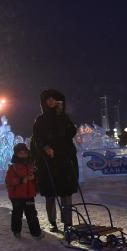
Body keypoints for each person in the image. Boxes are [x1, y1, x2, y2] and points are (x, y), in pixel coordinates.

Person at [31, 89, 78, 233]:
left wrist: (62, 114)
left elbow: (71, 133)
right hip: (48, 161)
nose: (51, 101)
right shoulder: (40, 120)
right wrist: (45, 148)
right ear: (44, 102)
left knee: (66, 192)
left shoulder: (63, 117)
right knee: (50, 193)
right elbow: (37, 138)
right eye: (48, 99)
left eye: (53, 99)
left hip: (64, 159)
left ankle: (67, 222)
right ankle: (53, 222)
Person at [5, 143, 42, 239]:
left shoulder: (31, 166)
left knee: (32, 215)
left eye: (25, 153)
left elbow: (37, 180)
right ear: (16, 154)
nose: (23, 155)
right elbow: (9, 181)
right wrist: (21, 180)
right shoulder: (13, 167)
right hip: (17, 196)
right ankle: (16, 231)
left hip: (29, 195)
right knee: (17, 214)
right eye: (20, 153)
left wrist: (34, 178)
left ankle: (36, 232)